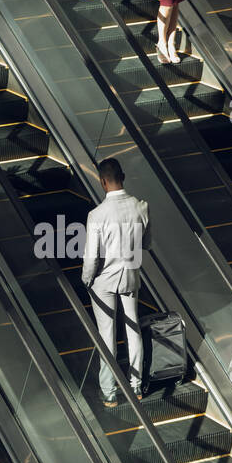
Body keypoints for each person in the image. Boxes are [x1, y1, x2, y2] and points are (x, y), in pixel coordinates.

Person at [81, 158, 150, 408]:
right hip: (131, 275)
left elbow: (91, 258)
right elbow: (147, 243)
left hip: (103, 281)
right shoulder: (141, 207)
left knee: (107, 335)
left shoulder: (96, 215)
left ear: (102, 181)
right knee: (133, 331)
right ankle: (136, 386)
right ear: (123, 176)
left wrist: (86, 280)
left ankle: (109, 393)